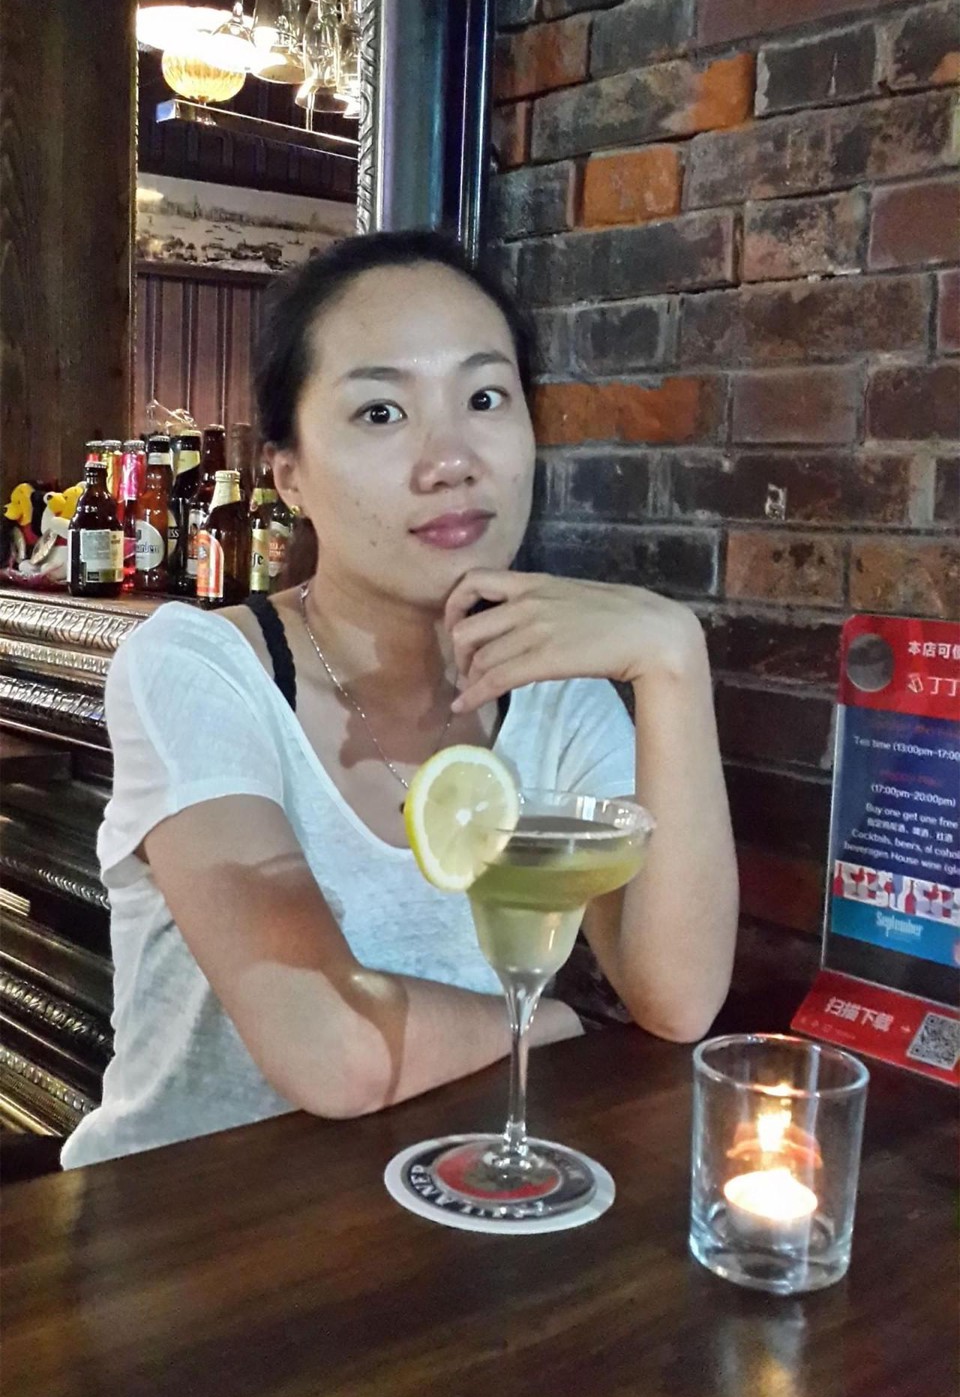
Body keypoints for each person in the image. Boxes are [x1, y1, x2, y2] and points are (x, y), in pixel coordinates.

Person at [62, 232, 738, 1168]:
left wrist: (672, 662)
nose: (450, 460)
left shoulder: (558, 699)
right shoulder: (199, 668)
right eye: (381, 412)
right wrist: (546, 1025)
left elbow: (678, 997)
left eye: (485, 398)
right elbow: (333, 1046)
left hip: (428, 1214)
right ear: (289, 474)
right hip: (181, 1229)